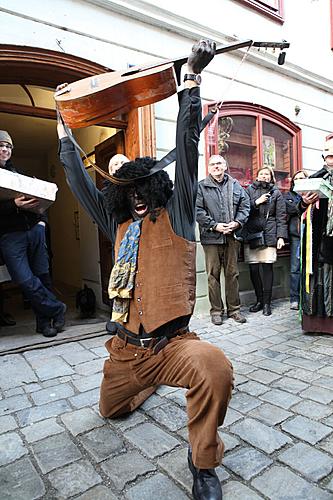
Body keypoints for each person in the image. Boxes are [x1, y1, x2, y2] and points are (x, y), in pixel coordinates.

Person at [58, 40, 232, 500]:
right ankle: (143, 387)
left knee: (214, 368)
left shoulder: (175, 213)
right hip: (123, 353)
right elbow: (79, 183)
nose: (136, 196)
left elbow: (188, 149)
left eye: (143, 188)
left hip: (171, 345)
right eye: (127, 190)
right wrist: (63, 135)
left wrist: (190, 82)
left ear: (156, 187)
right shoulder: (115, 223)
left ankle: (202, 464)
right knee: (110, 412)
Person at [0, 131, 66, 337]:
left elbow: (40, 202)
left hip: (35, 230)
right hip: (9, 236)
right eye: (1, 145)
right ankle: (57, 308)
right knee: (24, 280)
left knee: (43, 276)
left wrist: (42, 224)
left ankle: (44, 323)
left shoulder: (19, 174)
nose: (4, 149)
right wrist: (13, 204)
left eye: (8, 146)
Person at [196, 155, 250, 325]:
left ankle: (234, 310)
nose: (216, 166)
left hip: (232, 237)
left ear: (225, 166)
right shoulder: (201, 187)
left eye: (219, 163)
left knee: (232, 274)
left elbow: (245, 205)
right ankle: (216, 311)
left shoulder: (235, 185)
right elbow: (197, 211)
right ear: (209, 167)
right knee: (213, 275)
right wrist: (214, 225)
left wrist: (237, 222)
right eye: (212, 164)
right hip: (212, 237)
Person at [243, 166, 288, 316]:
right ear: (257, 176)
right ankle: (259, 301)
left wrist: (281, 236)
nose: (264, 176)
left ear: (271, 177)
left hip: (270, 234)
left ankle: (267, 303)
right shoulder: (249, 190)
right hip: (252, 234)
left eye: (267, 174)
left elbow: (281, 216)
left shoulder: (276, 193)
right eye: (261, 174)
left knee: (267, 268)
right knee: (254, 269)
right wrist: (257, 202)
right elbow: (243, 210)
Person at [300, 136, 333, 334]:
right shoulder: (316, 177)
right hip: (319, 238)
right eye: (327, 152)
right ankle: (319, 322)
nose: (329, 156)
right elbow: (298, 208)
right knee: (320, 277)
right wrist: (305, 202)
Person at [284, 170, 308, 310]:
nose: (299, 180)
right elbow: (292, 210)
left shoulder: (312, 193)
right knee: (295, 268)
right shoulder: (288, 196)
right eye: (297, 178)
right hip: (296, 236)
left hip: (311, 234)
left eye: (302, 178)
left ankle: (307, 297)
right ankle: (294, 298)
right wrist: (304, 202)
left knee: (310, 267)